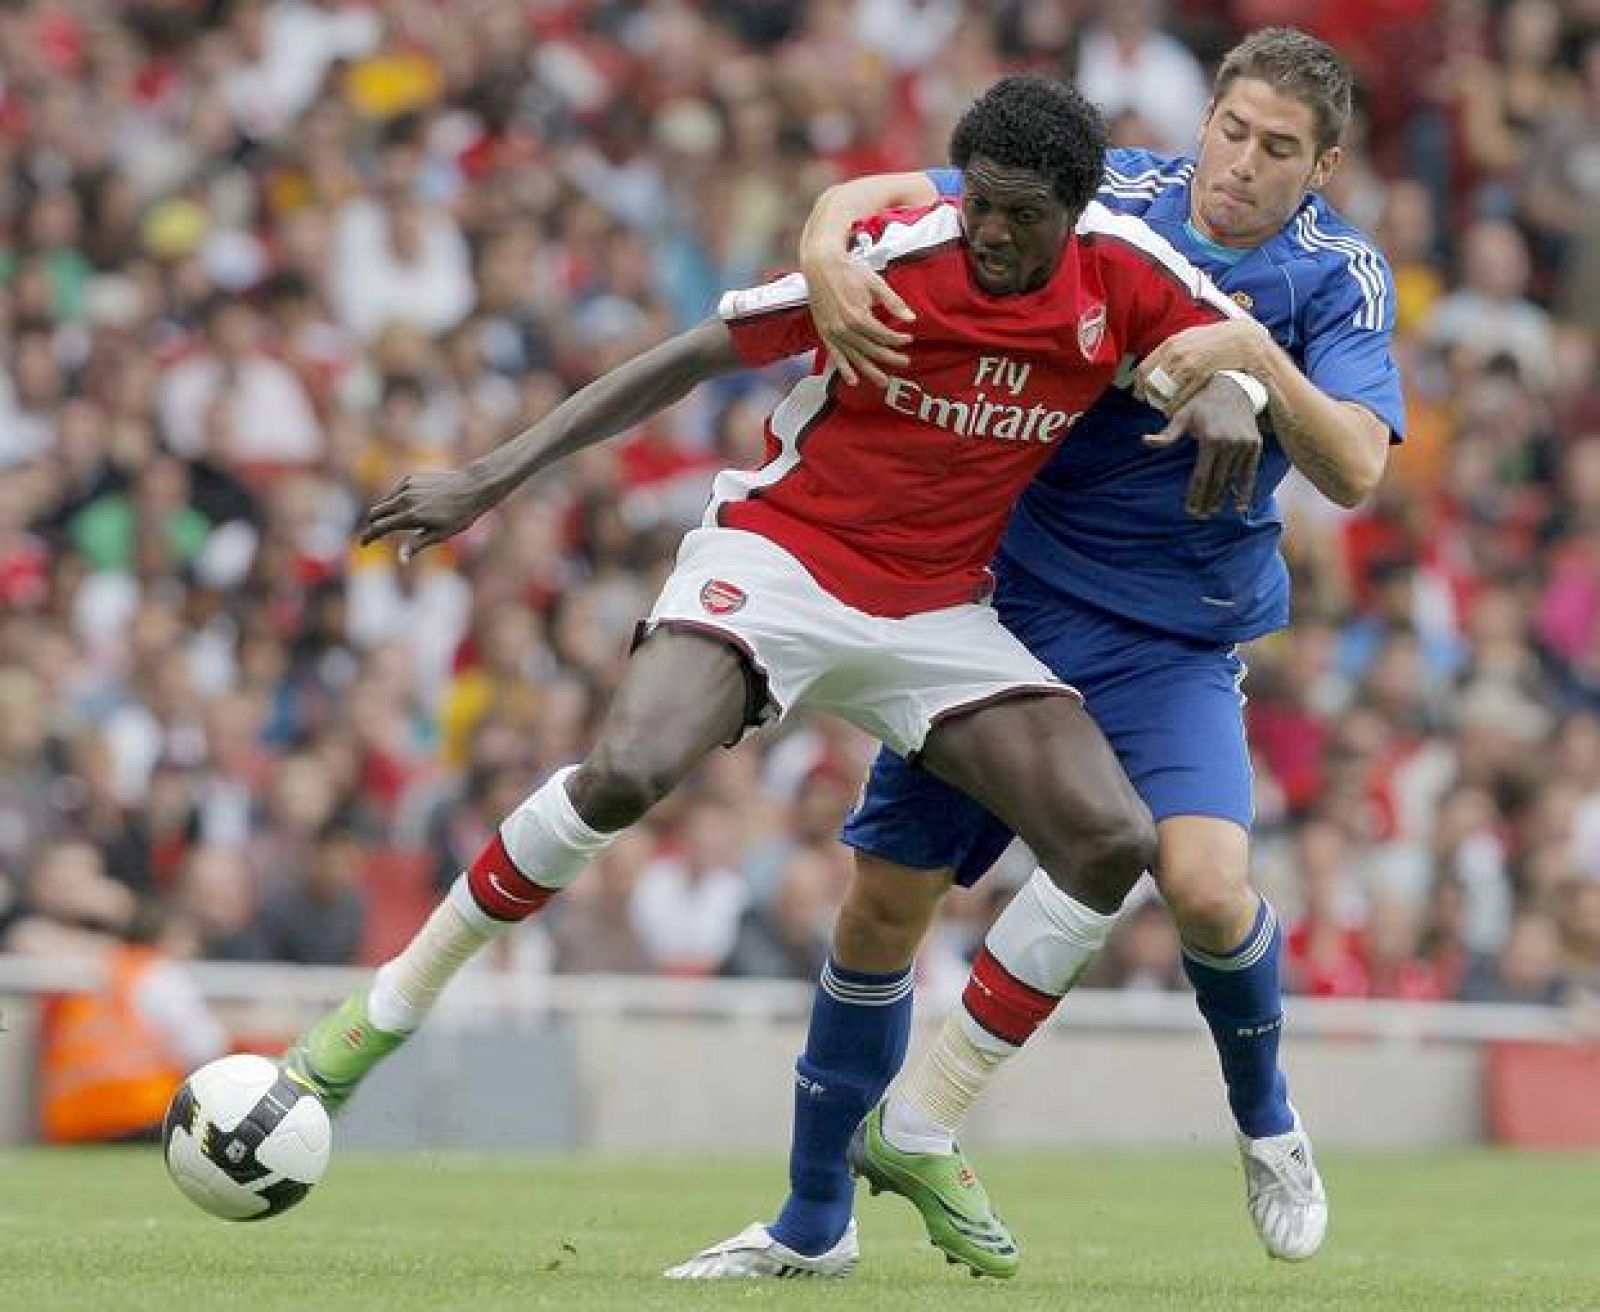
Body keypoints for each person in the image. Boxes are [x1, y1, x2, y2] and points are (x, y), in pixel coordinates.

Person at [277, 74, 1268, 1236]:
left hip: (939, 615)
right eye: (981, 205)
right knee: (626, 772)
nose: (993, 233)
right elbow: (695, 353)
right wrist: (488, 479)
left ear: (1076, 205)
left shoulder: (1124, 272)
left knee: (1111, 843)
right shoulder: (899, 257)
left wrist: (1233, 393)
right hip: (785, 561)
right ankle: (384, 1011)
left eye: (1021, 215)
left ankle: (919, 1127)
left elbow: (1227, 339)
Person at [669, 28, 1403, 1281]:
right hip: (1000, 606)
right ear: (1204, 120)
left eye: (1278, 150)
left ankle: (1267, 1121)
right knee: (884, 908)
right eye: (1230, 130)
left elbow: (1355, 468)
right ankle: (808, 1226)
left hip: (1173, 630)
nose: (1240, 164)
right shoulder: (1108, 191)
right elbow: (895, 192)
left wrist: (1248, 356)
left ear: (1320, 165)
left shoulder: (1336, 279)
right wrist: (815, 248)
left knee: (1209, 886)